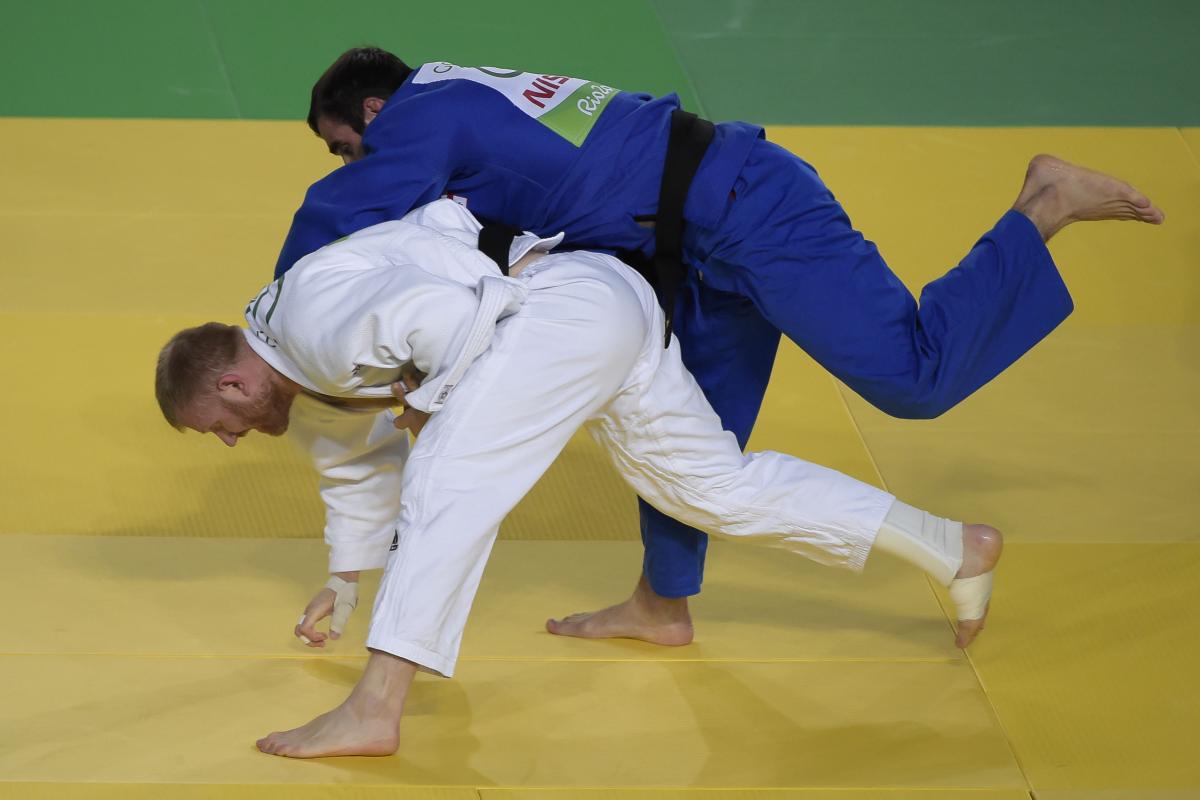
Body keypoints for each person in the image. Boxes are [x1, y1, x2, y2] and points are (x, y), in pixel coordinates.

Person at [276, 47, 1163, 646]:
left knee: (913, 379)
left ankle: (1041, 206)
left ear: (374, 109)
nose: (354, 165)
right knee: (684, 442)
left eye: (347, 146)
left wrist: (276, 316)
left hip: (748, 207)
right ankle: (663, 606)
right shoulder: (460, 100)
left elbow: (334, 218)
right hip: (690, 240)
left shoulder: (420, 116)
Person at [157, 200, 1001, 758]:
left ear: (233, 383)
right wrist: (343, 583)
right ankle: (952, 547)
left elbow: (456, 317)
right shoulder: (295, 371)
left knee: (447, 482)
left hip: (561, 305)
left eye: (218, 427)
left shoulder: (309, 321)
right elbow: (355, 467)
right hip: (604, 308)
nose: (231, 441)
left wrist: (430, 403)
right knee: (709, 488)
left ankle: (376, 709)